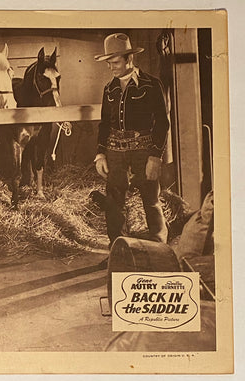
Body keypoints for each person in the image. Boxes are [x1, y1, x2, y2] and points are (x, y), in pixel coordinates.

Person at [94, 33, 169, 247]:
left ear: (129, 59)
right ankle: (118, 245)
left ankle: (159, 242)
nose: (111, 67)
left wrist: (155, 156)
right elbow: (104, 124)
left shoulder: (151, 85)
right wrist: (100, 154)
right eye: (108, 63)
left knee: (150, 198)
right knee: (114, 200)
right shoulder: (109, 89)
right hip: (115, 151)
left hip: (144, 151)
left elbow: (162, 124)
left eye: (115, 62)